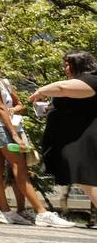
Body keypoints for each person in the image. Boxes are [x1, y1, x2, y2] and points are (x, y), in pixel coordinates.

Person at [0, 53, 74, 228]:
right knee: (20, 169)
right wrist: (15, 136)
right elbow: (0, 107)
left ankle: (5, 211)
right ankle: (42, 213)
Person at [31, 50, 97, 212]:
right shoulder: (79, 82)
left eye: (68, 64)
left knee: (88, 179)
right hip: (78, 140)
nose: (64, 68)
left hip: (86, 140)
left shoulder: (91, 79)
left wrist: (40, 91)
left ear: (79, 64)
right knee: (87, 180)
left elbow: (62, 88)